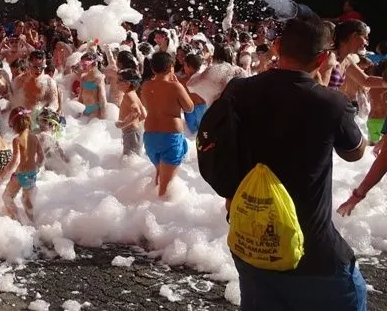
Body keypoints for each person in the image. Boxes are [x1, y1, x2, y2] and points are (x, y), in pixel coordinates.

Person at [207, 16, 367, 311]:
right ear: (321, 58)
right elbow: (355, 152)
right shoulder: (330, 103)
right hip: (312, 253)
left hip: (251, 243)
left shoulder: (238, 91)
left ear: (278, 46)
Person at [141, 52, 194, 197]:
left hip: (150, 136)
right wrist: (177, 86)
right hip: (170, 137)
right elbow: (190, 108)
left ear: (153, 69)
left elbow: (147, 105)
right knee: (166, 186)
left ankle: (149, 207)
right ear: (170, 67)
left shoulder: (145, 86)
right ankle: (159, 214)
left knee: (159, 175)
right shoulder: (175, 87)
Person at [2, 107, 44, 223]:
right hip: (31, 175)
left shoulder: (17, 140)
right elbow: (41, 157)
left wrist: (5, 172)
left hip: (19, 175)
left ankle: (18, 220)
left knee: (6, 197)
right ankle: (33, 224)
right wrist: (36, 167)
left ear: (15, 125)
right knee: (27, 202)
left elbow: (15, 161)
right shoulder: (35, 138)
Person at [116, 69, 145, 157]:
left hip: (131, 133)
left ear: (127, 83)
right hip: (135, 132)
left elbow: (137, 112)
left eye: (119, 80)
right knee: (134, 159)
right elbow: (144, 115)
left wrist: (123, 124)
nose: (116, 82)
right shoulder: (133, 94)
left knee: (129, 159)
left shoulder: (128, 96)